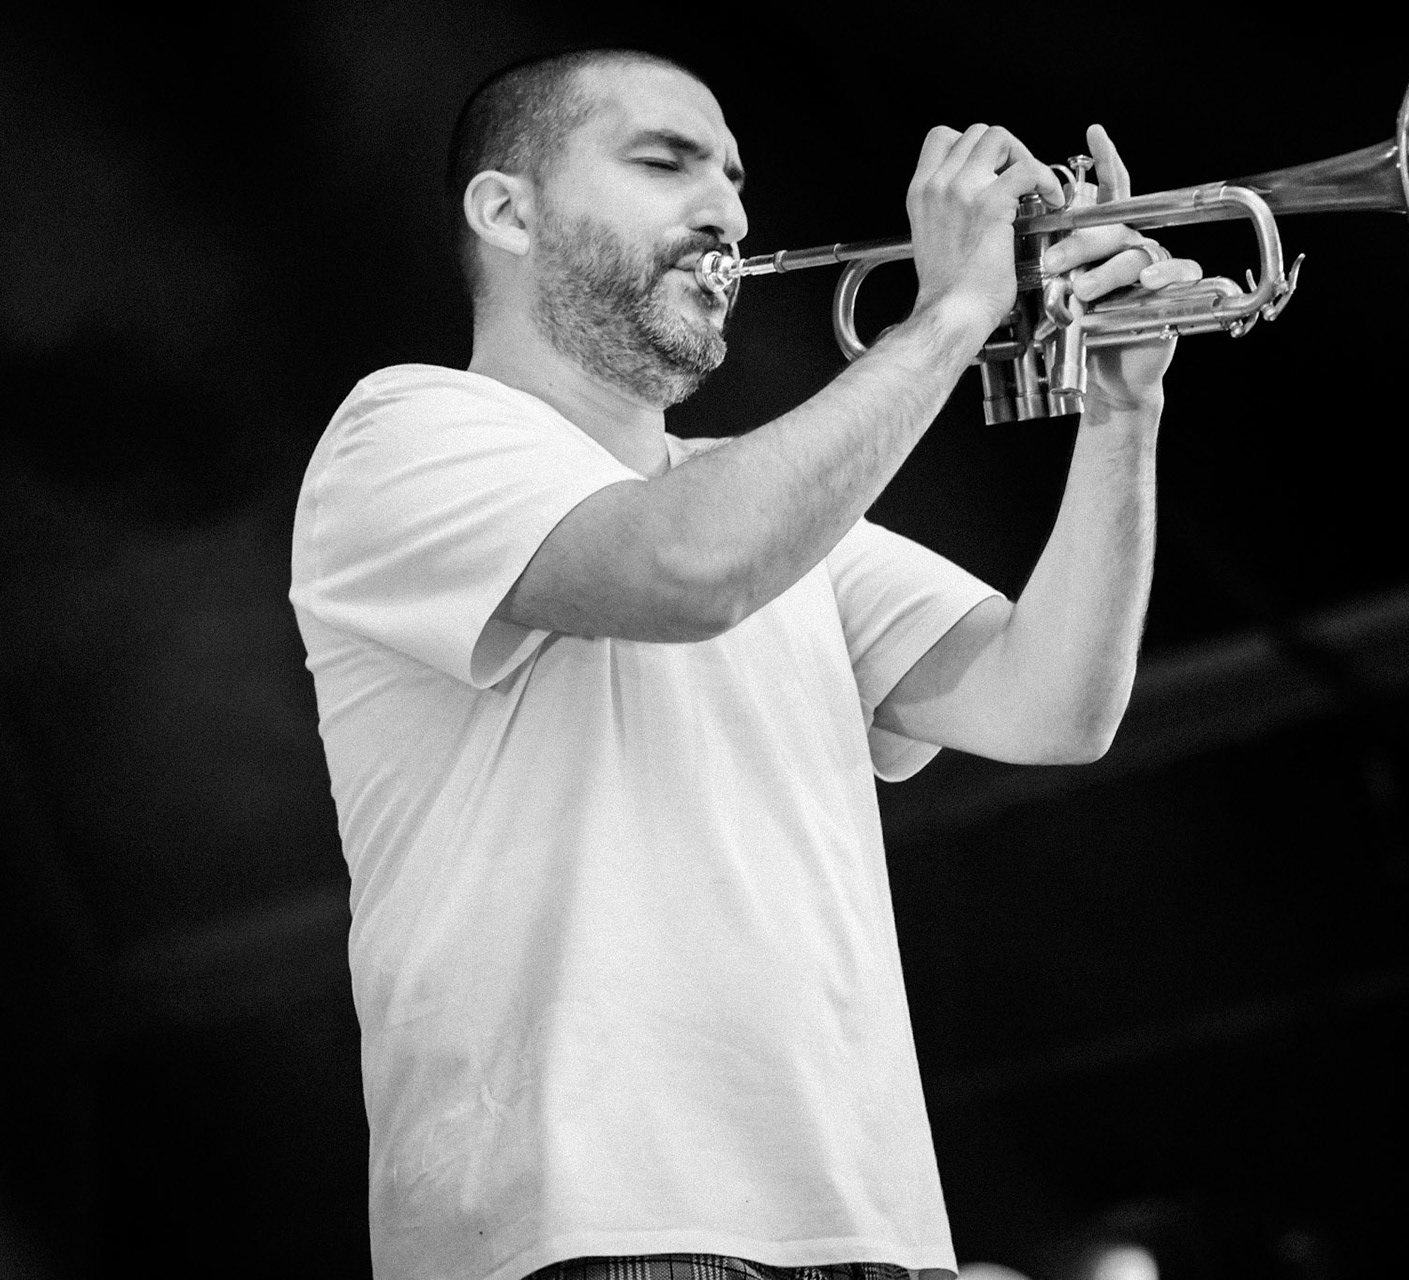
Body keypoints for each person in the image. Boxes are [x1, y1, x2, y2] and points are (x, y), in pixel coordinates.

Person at [288, 46, 1197, 1280]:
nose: (724, 209)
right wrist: (951, 314)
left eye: (734, 179)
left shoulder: (765, 504)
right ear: (507, 211)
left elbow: (1052, 705)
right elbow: (691, 567)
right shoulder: (403, 432)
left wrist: (1123, 412)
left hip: (872, 1231)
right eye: (665, 163)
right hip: (592, 1222)